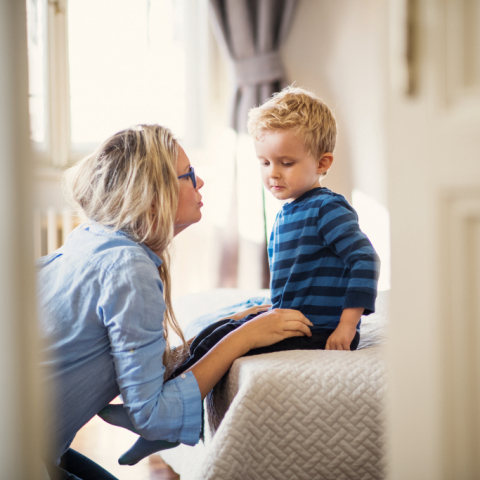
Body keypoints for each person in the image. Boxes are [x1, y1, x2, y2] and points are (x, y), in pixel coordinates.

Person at [104, 87, 381, 464]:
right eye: (264, 163)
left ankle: (162, 425)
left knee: (226, 344)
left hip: (316, 329)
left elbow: (365, 259)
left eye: (286, 162)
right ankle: (157, 409)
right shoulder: (291, 211)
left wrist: (347, 325)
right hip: (294, 316)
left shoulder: (327, 209)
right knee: (215, 330)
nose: (273, 174)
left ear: (322, 162)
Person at [37, 124, 313, 480]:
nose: (200, 184)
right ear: (153, 195)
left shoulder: (91, 238)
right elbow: (150, 413)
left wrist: (231, 323)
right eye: (190, 175)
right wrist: (246, 337)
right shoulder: (129, 267)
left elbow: (141, 358)